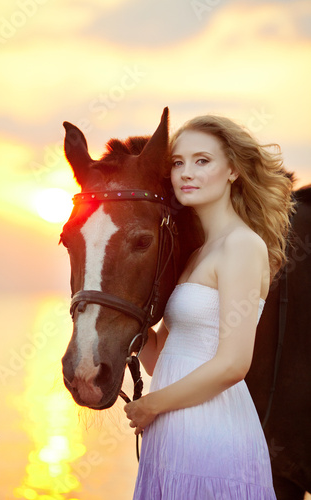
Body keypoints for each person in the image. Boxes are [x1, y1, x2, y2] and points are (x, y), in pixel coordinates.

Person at [124, 115, 294, 499]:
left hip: (213, 433)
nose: (186, 172)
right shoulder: (197, 253)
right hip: (170, 435)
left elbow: (233, 363)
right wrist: (120, 318)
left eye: (203, 161)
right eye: (178, 163)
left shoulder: (242, 245)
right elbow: (160, 361)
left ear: (233, 169)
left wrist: (151, 406)